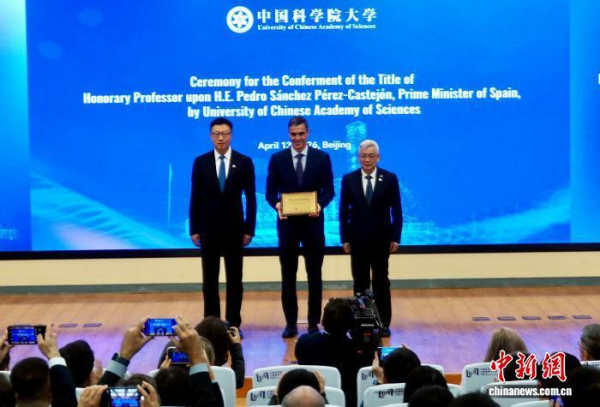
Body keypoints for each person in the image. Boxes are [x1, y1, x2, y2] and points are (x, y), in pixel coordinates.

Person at [266, 116, 335, 338]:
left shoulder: (322, 158)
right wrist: (277, 204)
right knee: (288, 276)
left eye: (301, 134)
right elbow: (270, 193)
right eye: (293, 134)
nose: (297, 138)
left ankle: (314, 324)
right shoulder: (277, 159)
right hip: (288, 227)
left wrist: (319, 205)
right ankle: (291, 324)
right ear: (289, 134)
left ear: (308, 133)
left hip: (313, 226)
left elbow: (329, 191)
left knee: (314, 276)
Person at [189, 117, 257, 333]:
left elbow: (251, 198)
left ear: (231, 136)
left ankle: (234, 323)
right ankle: (211, 324)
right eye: (216, 134)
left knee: (235, 279)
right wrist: (194, 228)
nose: (221, 138)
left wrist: (249, 229)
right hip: (208, 229)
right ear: (210, 136)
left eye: (225, 133)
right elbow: (195, 197)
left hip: (235, 230)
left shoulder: (244, 162)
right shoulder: (201, 162)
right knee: (209, 279)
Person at [339, 139, 402, 337]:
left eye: (371, 156)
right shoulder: (348, 179)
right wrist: (345, 238)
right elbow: (343, 211)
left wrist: (396, 236)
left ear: (378, 157)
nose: (367, 160)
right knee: (360, 283)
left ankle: (383, 323)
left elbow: (396, 210)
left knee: (381, 282)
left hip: (381, 240)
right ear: (358, 157)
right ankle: (363, 322)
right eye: (364, 156)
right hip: (357, 240)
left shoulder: (389, 178)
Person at [295, 298, 373, 407]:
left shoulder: (303, 342)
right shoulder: (355, 350)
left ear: (323, 321)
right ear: (350, 324)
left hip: (311, 398)